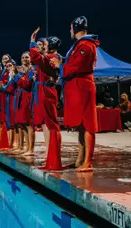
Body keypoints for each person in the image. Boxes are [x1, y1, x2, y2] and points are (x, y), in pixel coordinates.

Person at [50, 16, 100, 172]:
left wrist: (61, 65)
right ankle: (80, 160)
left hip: (83, 87)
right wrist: (63, 61)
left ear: (76, 28)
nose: (70, 31)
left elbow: (77, 65)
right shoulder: (79, 45)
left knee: (88, 124)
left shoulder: (86, 45)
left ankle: (88, 162)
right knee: (81, 125)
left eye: (71, 28)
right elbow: (72, 62)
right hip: (77, 87)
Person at [29, 27, 64, 171]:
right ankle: (51, 156)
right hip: (44, 91)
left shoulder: (52, 58)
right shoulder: (52, 58)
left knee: (51, 125)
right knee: (47, 124)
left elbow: (36, 57)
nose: (44, 46)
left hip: (47, 92)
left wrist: (32, 42)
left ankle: (54, 158)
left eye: (46, 44)